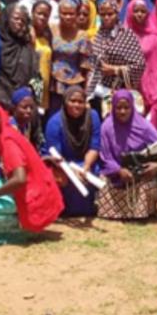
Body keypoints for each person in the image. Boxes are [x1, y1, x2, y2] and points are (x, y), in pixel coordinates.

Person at [0, 102, 63, 245]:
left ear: (1, 118)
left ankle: (20, 228)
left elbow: (20, 179)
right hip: (23, 189)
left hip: (32, 195)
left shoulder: (8, 141)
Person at [95, 89, 157, 220]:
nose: (122, 111)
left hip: (139, 174)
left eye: (126, 107)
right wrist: (118, 170)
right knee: (103, 181)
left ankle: (140, 213)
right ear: (113, 107)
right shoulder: (107, 127)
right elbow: (105, 155)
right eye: (119, 107)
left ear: (132, 107)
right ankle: (112, 212)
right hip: (116, 173)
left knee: (148, 184)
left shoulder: (144, 126)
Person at [44, 85, 102, 217]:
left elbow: (95, 146)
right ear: (65, 102)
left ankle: (89, 207)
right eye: (73, 101)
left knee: (95, 173)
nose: (77, 105)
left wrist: (86, 167)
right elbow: (55, 155)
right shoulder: (54, 122)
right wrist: (71, 171)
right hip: (62, 163)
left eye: (80, 102)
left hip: (86, 162)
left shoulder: (93, 117)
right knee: (61, 179)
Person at [86, 0, 146, 102]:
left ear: (117, 14)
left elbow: (140, 65)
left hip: (119, 92)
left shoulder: (127, 35)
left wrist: (115, 70)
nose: (106, 17)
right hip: (96, 91)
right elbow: (92, 65)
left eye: (110, 14)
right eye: (103, 15)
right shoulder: (98, 36)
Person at [49, 0, 93, 115]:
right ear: (59, 13)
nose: (67, 17)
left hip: (74, 84)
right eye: (64, 13)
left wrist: (86, 94)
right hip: (54, 85)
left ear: (77, 14)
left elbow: (87, 68)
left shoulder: (82, 36)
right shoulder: (51, 30)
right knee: (54, 116)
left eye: (71, 14)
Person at [0, 3, 41, 106]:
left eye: (23, 21)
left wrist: (37, 104)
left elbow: (37, 78)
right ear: (7, 19)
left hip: (23, 107)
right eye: (16, 19)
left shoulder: (28, 47)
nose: (20, 23)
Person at [30, 0, 54, 109]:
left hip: (45, 89)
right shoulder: (27, 35)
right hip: (32, 87)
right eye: (39, 13)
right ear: (32, 13)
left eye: (46, 15)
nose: (42, 17)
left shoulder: (48, 35)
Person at [10, 86, 45, 151]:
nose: (29, 111)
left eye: (31, 107)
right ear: (14, 108)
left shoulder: (27, 125)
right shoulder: (10, 127)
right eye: (24, 107)